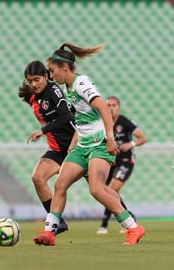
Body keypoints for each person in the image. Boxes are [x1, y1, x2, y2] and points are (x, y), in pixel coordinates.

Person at [34, 43, 145, 246]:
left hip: (100, 143)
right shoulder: (67, 88)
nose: (50, 75)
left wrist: (111, 139)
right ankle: (49, 233)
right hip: (83, 145)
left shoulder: (81, 83)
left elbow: (103, 108)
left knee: (96, 189)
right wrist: (74, 142)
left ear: (64, 67)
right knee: (60, 184)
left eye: (52, 70)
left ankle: (133, 227)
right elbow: (82, 118)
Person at [18, 60, 76, 235]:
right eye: (30, 81)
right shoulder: (34, 96)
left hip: (77, 146)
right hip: (58, 150)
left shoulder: (53, 90)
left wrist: (42, 131)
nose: (33, 84)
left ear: (46, 76)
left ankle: (129, 222)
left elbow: (66, 116)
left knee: (98, 189)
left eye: (37, 80)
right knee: (37, 177)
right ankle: (57, 222)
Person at [97, 96, 147, 234]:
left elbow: (143, 138)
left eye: (113, 105)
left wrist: (130, 144)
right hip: (110, 162)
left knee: (111, 189)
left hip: (126, 161)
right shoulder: (102, 123)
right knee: (108, 191)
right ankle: (129, 218)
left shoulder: (125, 122)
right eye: (108, 105)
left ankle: (105, 224)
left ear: (118, 107)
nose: (111, 108)